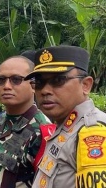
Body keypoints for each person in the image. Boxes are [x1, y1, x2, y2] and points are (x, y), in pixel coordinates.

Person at [24, 46, 106, 188]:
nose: (45, 90)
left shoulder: (91, 132)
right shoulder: (67, 127)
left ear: (85, 85)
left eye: (58, 80)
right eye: (39, 82)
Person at [0, 55, 53, 188]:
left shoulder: (41, 132)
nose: (6, 86)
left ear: (34, 85)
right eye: (1, 80)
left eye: (16, 80)